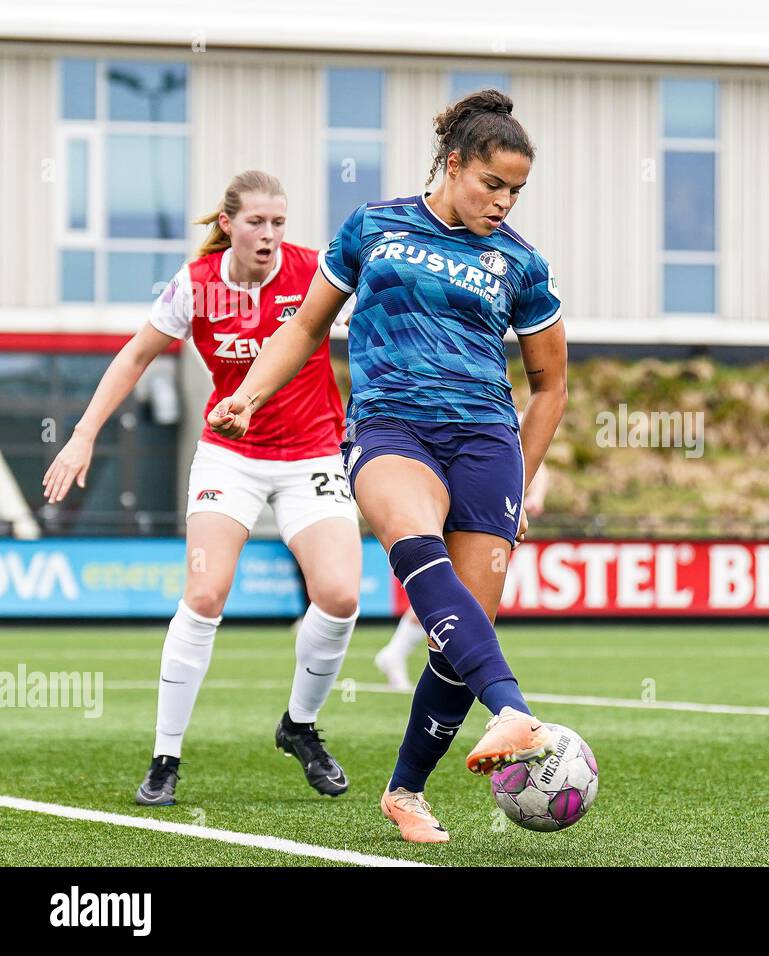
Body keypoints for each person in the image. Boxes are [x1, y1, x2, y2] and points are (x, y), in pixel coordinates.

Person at [206, 90, 568, 844]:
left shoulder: (522, 263)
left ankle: (405, 792)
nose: (502, 203)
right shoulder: (374, 226)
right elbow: (306, 324)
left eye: (516, 192)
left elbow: (551, 385)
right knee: (415, 548)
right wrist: (246, 394)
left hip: (487, 444)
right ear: (456, 162)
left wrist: (521, 484)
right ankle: (512, 710)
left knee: (454, 635)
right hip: (391, 426)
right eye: (491, 184)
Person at [42, 170, 361, 806]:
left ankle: (299, 727)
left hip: (312, 454)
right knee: (207, 591)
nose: (269, 235)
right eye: (256, 223)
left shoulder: (318, 272)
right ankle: (165, 757)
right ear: (227, 224)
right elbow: (134, 356)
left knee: (341, 595)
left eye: (279, 222)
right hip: (229, 457)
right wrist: (82, 435)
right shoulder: (195, 286)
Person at [374, 461, 550, 692]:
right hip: (459, 498)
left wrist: (530, 496)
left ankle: (397, 652)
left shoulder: (507, 427)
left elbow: (535, 462)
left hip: (485, 503)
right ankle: (402, 655)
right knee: (450, 586)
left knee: (453, 588)